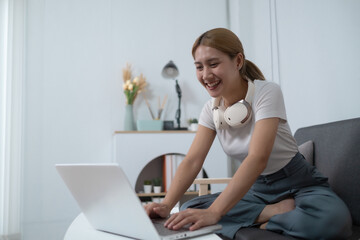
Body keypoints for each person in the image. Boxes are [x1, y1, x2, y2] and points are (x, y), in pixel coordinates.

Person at [145, 28, 352, 239]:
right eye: (199, 67)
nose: (206, 75)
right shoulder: (210, 109)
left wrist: (215, 212)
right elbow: (192, 161)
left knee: (333, 220)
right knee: (190, 207)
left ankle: (257, 221)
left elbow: (257, 157)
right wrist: (166, 204)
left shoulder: (267, 92)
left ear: (238, 61)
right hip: (256, 190)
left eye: (213, 64)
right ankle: (271, 213)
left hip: (297, 183)